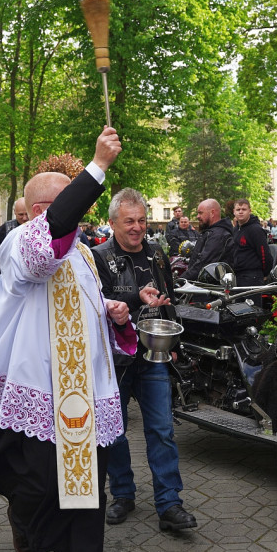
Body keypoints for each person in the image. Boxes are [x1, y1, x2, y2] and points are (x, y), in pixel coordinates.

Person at [0, 127, 134, 552]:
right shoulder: (21, 242)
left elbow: (85, 307)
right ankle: (26, 524)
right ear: (40, 210)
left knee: (89, 480)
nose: (80, 213)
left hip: (87, 391)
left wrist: (112, 313)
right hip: (41, 387)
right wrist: (97, 166)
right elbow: (47, 248)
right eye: (71, 202)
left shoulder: (85, 254)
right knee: (41, 484)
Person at [91, 189, 198, 533]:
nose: (137, 228)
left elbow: (167, 301)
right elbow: (95, 305)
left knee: (163, 431)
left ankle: (169, 504)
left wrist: (175, 343)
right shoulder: (97, 257)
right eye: (129, 222)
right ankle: (123, 494)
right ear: (112, 223)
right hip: (115, 360)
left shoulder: (157, 254)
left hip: (154, 355)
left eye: (141, 220)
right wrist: (134, 299)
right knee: (115, 432)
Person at [181, 199, 235, 281]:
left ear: (212, 213)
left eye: (200, 213)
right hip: (203, 286)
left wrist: (181, 281)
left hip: (210, 288)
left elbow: (204, 264)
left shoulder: (218, 235)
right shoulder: (210, 232)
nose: (197, 216)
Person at [0, 197, 30, 283]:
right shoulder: (4, 229)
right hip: (10, 278)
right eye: (21, 215)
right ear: (15, 212)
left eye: (27, 214)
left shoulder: (40, 227)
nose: (25, 218)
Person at [232, 199, 270, 292]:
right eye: (238, 209)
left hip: (252, 277)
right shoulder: (236, 229)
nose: (240, 212)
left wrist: (264, 274)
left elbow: (264, 254)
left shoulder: (255, 230)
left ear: (250, 211)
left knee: (252, 306)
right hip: (238, 276)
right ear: (234, 212)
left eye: (244, 209)